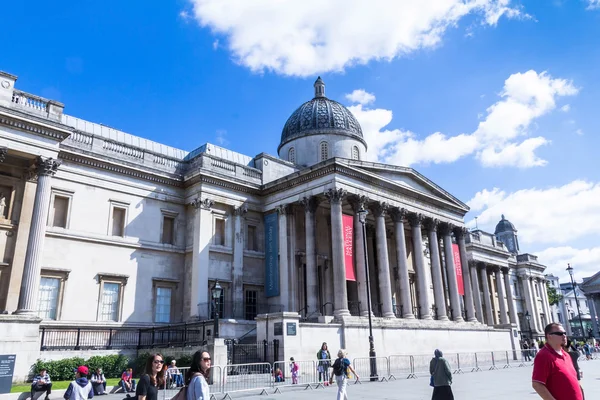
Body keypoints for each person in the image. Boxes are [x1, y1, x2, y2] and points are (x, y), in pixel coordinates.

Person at [532, 323, 584, 400]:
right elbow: (537, 384)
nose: (564, 336)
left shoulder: (566, 355)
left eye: (564, 333)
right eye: (559, 333)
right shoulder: (544, 355)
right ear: (549, 336)